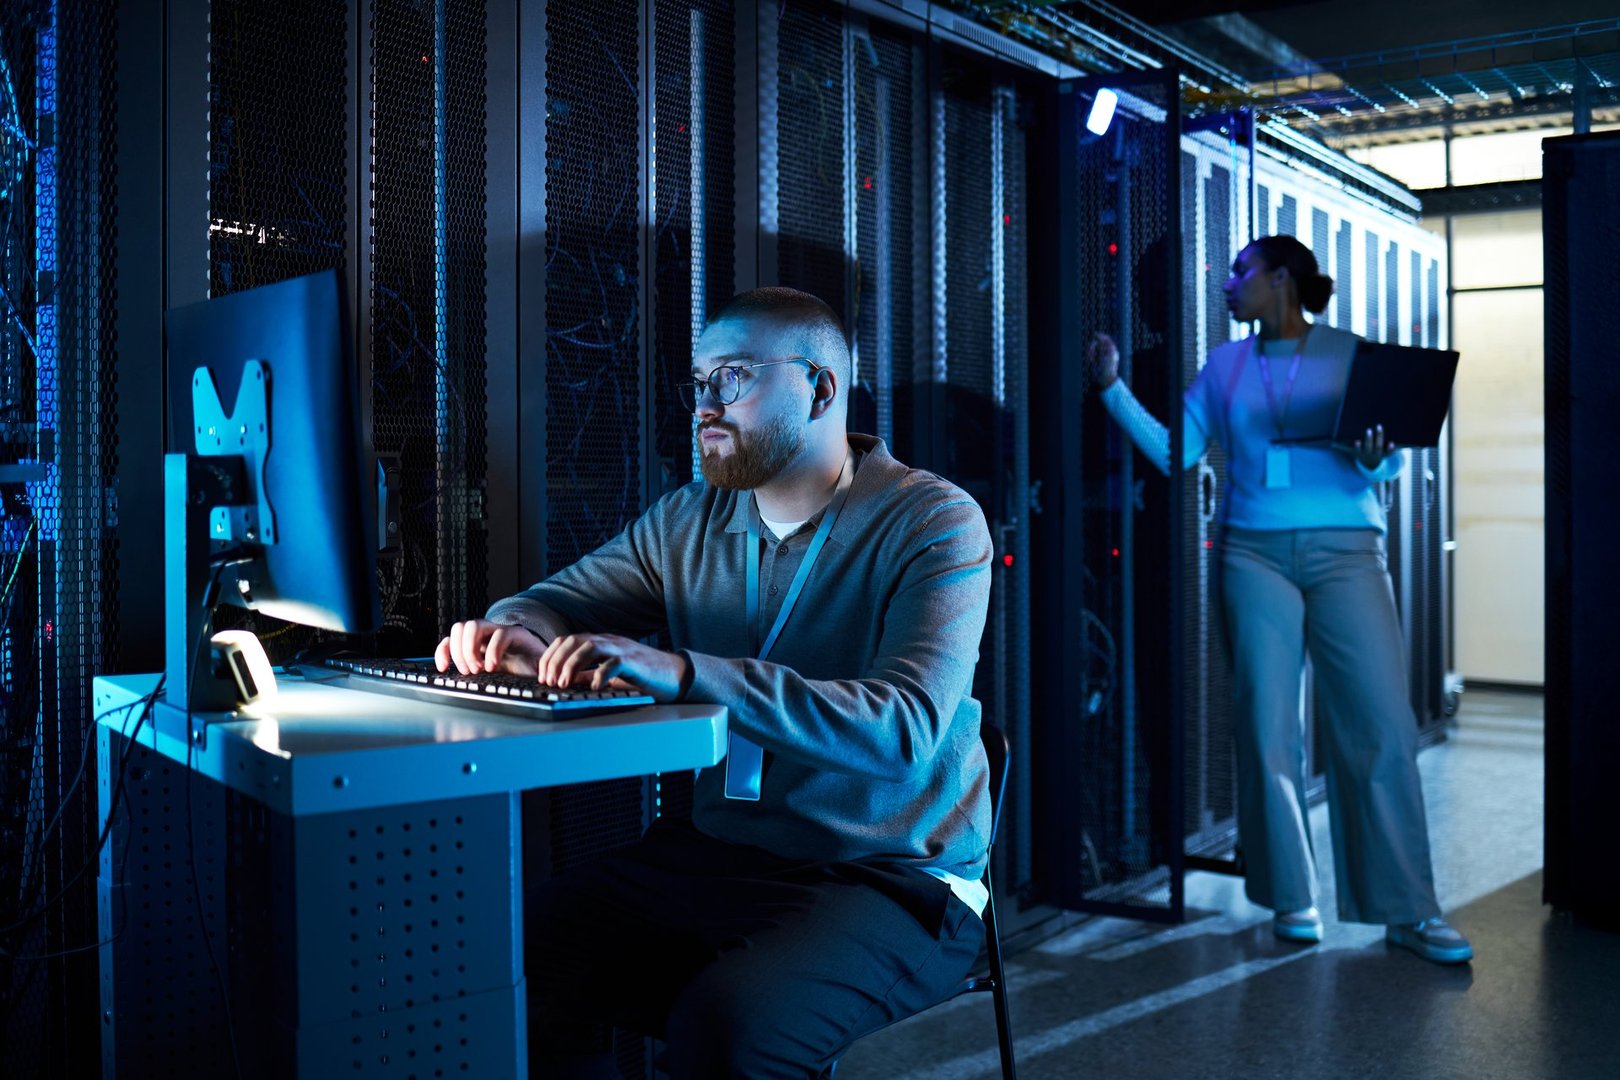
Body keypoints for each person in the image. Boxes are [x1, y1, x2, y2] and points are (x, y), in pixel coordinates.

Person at [435, 287, 995, 1077]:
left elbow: (904, 729)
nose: (704, 404)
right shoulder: (688, 519)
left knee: (730, 1028)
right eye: (698, 382)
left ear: (820, 387)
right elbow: (552, 602)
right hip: (720, 851)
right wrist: (512, 633)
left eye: (731, 377)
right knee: (514, 958)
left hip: (891, 873)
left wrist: (684, 673)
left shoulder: (932, 520)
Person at [1087, 235, 1473, 965]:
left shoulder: (1346, 350)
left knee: (1382, 726)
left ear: (1282, 280)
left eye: (1241, 272)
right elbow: (1178, 454)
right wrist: (1111, 388)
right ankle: (1294, 895)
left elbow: (1383, 459)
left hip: (1348, 552)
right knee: (1267, 728)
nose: (1229, 284)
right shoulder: (1225, 365)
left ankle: (1409, 911)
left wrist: (1374, 453)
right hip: (1252, 554)